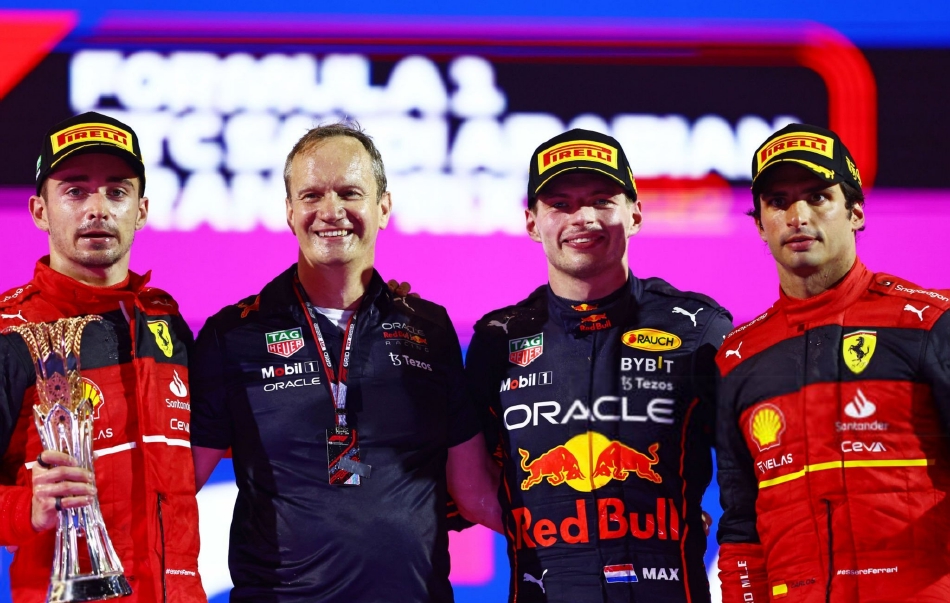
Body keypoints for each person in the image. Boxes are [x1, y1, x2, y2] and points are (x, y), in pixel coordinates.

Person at [188, 122, 500, 602]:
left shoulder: (430, 331)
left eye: (349, 193)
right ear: (290, 211)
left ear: (383, 207)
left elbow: (475, 491)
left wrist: (583, 543)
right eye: (311, 195)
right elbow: (178, 483)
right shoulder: (232, 336)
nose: (330, 211)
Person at [464, 129, 733, 602]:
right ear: (532, 223)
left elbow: (753, 477)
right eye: (561, 204)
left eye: (601, 200)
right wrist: (566, 527)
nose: (583, 218)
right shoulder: (496, 340)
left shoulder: (699, 328)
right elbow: (463, 482)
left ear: (635, 214)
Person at [715, 123, 950, 602]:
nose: (797, 216)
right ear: (759, 224)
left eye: (818, 197)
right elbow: (741, 530)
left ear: (856, 211)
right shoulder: (738, 357)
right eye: (777, 202)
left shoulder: (929, 322)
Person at [0, 112, 206, 602]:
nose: (98, 209)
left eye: (117, 191)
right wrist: (26, 510)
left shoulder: (167, 325)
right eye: (75, 191)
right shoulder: (9, 335)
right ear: (39, 211)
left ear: (141, 209)